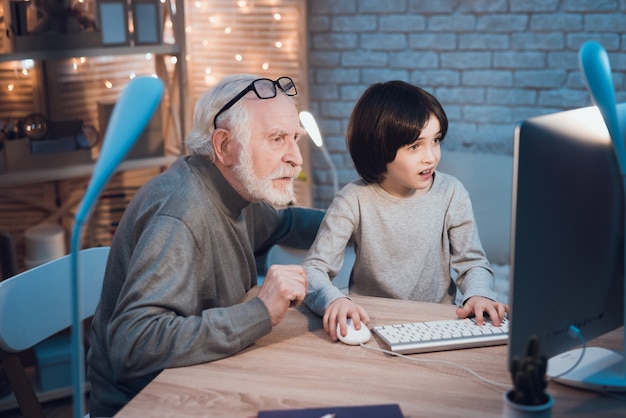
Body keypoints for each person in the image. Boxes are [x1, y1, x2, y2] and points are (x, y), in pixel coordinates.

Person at [87, 74, 324, 416]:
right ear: (225, 146)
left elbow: (286, 224)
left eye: (294, 138)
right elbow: (134, 343)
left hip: (202, 379)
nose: (296, 158)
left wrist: (355, 221)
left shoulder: (235, 190)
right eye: (277, 139)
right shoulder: (181, 215)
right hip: (149, 404)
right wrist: (260, 312)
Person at [303, 80, 509, 342]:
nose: (431, 157)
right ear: (378, 148)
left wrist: (479, 294)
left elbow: (472, 263)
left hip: (437, 322)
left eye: (435, 141)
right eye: (415, 146)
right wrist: (334, 300)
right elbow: (313, 269)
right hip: (372, 322)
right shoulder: (352, 199)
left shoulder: (451, 193)